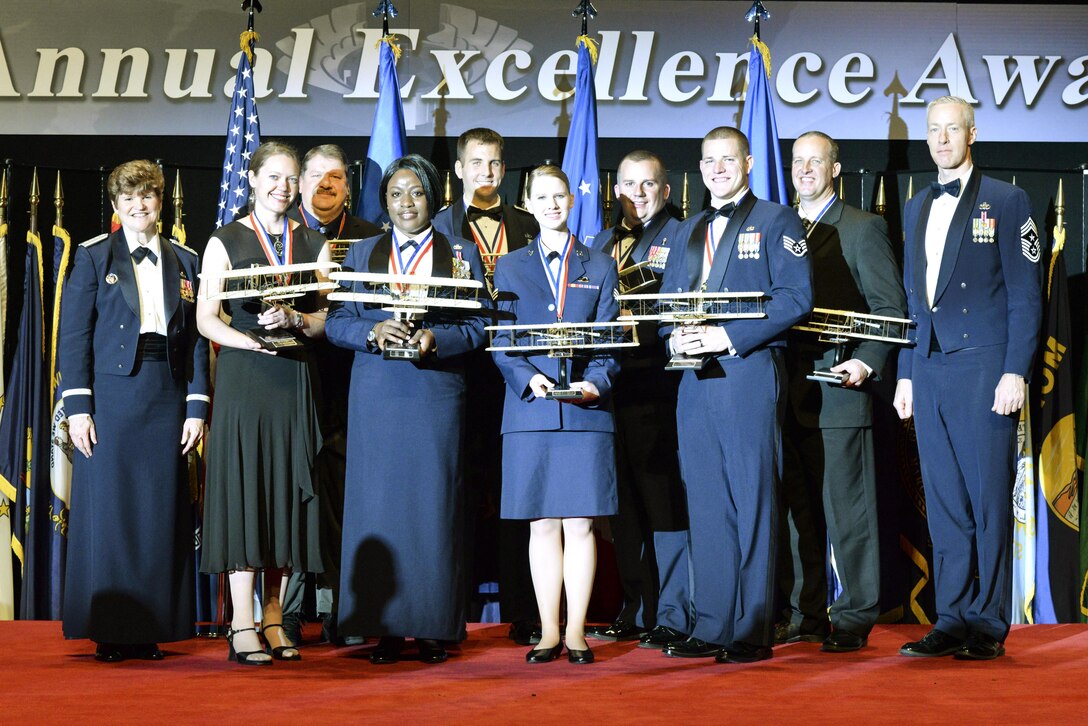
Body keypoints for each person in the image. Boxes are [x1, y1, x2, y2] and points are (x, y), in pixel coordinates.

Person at [326, 154, 490, 666]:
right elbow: (336, 324)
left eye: (415, 193)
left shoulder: (461, 253)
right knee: (377, 507)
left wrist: (436, 338)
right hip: (376, 395)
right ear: (384, 200)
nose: (405, 203)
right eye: (396, 193)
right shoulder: (362, 253)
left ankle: (434, 626)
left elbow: (481, 326)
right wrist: (371, 331)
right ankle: (384, 628)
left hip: (435, 395)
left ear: (434, 197)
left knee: (433, 509)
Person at [894, 96, 1042, 660]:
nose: (941, 138)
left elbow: (1027, 296)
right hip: (928, 370)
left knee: (986, 500)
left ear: (972, 133)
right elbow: (914, 300)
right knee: (945, 501)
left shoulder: (1010, 200)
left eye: (952, 128)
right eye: (933, 129)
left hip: (985, 368)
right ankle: (951, 616)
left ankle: (987, 624)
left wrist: (1015, 370)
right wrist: (907, 373)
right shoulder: (914, 207)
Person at [658, 126, 812, 664]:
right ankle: (711, 624)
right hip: (692, 380)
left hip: (746, 373)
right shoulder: (686, 229)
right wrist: (673, 334)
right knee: (705, 501)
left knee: (752, 500)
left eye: (728, 159)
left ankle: (750, 629)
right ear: (699, 169)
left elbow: (797, 298)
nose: (718, 169)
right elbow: (667, 302)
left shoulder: (777, 220)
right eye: (709, 161)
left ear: (747, 163)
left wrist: (725, 336)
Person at [60, 160, 209, 663]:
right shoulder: (93, 257)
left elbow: (194, 342)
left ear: (159, 202)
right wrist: (78, 407)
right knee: (113, 515)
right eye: (129, 199)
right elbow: (74, 336)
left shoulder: (186, 260)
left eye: (147, 197)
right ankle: (111, 629)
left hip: (166, 397)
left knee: (157, 514)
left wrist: (196, 404)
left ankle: (150, 629)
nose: (139, 206)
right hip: (111, 399)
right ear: (116, 206)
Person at [197, 141, 331, 666]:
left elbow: (326, 321)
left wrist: (296, 322)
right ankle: (242, 622)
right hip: (245, 377)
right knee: (247, 495)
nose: (283, 186)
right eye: (272, 176)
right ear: (252, 181)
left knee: (282, 500)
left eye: (291, 178)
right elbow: (208, 318)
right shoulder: (224, 240)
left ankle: (275, 617)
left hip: (294, 379)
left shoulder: (315, 242)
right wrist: (249, 340)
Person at [776, 131, 906, 652]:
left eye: (816, 161)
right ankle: (805, 614)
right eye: (798, 162)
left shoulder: (862, 228)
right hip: (785, 394)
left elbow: (890, 308)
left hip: (840, 390)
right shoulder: (776, 226)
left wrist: (867, 361)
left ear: (835, 168)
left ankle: (854, 615)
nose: (806, 170)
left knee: (848, 514)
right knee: (797, 514)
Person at [491, 164, 620, 665]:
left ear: (572, 201)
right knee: (542, 524)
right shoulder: (510, 266)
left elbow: (612, 344)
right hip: (531, 411)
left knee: (581, 524)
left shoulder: (601, 265)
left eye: (559, 196)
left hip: (587, 412)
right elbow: (500, 339)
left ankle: (577, 633)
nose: (551, 205)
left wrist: (597, 382)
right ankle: (547, 632)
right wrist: (528, 378)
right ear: (527, 203)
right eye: (541, 197)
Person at [433, 128, 541, 645]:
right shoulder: (435, 228)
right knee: (456, 494)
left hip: (518, 374)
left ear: (505, 169)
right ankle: (446, 612)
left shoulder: (529, 223)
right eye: (477, 163)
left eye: (495, 164)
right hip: (458, 375)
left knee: (518, 495)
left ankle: (526, 610)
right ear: (459, 170)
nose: (486, 173)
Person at [583, 151, 690, 650]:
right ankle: (636, 604)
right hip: (608, 391)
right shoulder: (601, 244)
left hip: (659, 389)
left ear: (665, 190)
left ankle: (673, 611)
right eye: (628, 185)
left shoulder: (685, 236)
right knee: (622, 505)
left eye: (648, 184)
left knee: (663, 503)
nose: (638, 194)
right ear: (616, 191)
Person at [281, 144, 381, 646]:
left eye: (335, 177)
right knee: (296, 499)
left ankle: (347, 609)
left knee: (344, 502)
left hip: (350, 386)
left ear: (348, 186)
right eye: (315, 175)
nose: (325, 184)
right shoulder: (280, 233)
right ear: (299, 183)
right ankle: (289, 612)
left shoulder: (370, 238)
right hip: (290, 380)